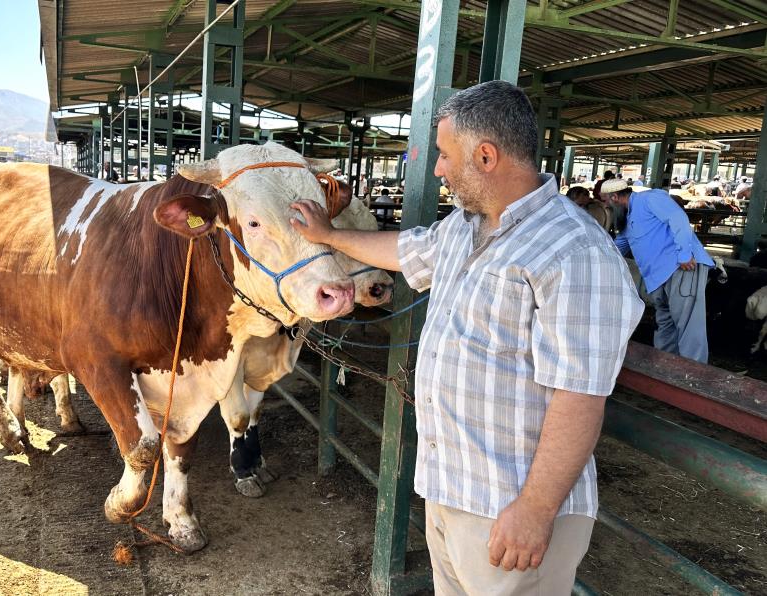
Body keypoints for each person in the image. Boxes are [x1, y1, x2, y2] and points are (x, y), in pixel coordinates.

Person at [291, 80, 643, 595]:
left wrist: (535, 510)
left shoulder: (575, 252)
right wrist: (329, 237)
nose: (436, 169)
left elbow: (579, 396)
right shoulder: (464, 227)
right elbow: (406, 249)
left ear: (485, 156)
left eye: (443, 155)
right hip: (452, 489)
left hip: (510, 507)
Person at [603, 178, 714, 362]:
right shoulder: (628, 218)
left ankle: (692, 377)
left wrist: (684, 254)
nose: (604, 206)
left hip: (682, 267)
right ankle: (666, 369)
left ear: (614, 197)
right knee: (665, 324)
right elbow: (618, 246)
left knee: (688, 325)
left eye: (605, 201)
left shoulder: (649, 199)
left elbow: (678, 218)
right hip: (657, 278)